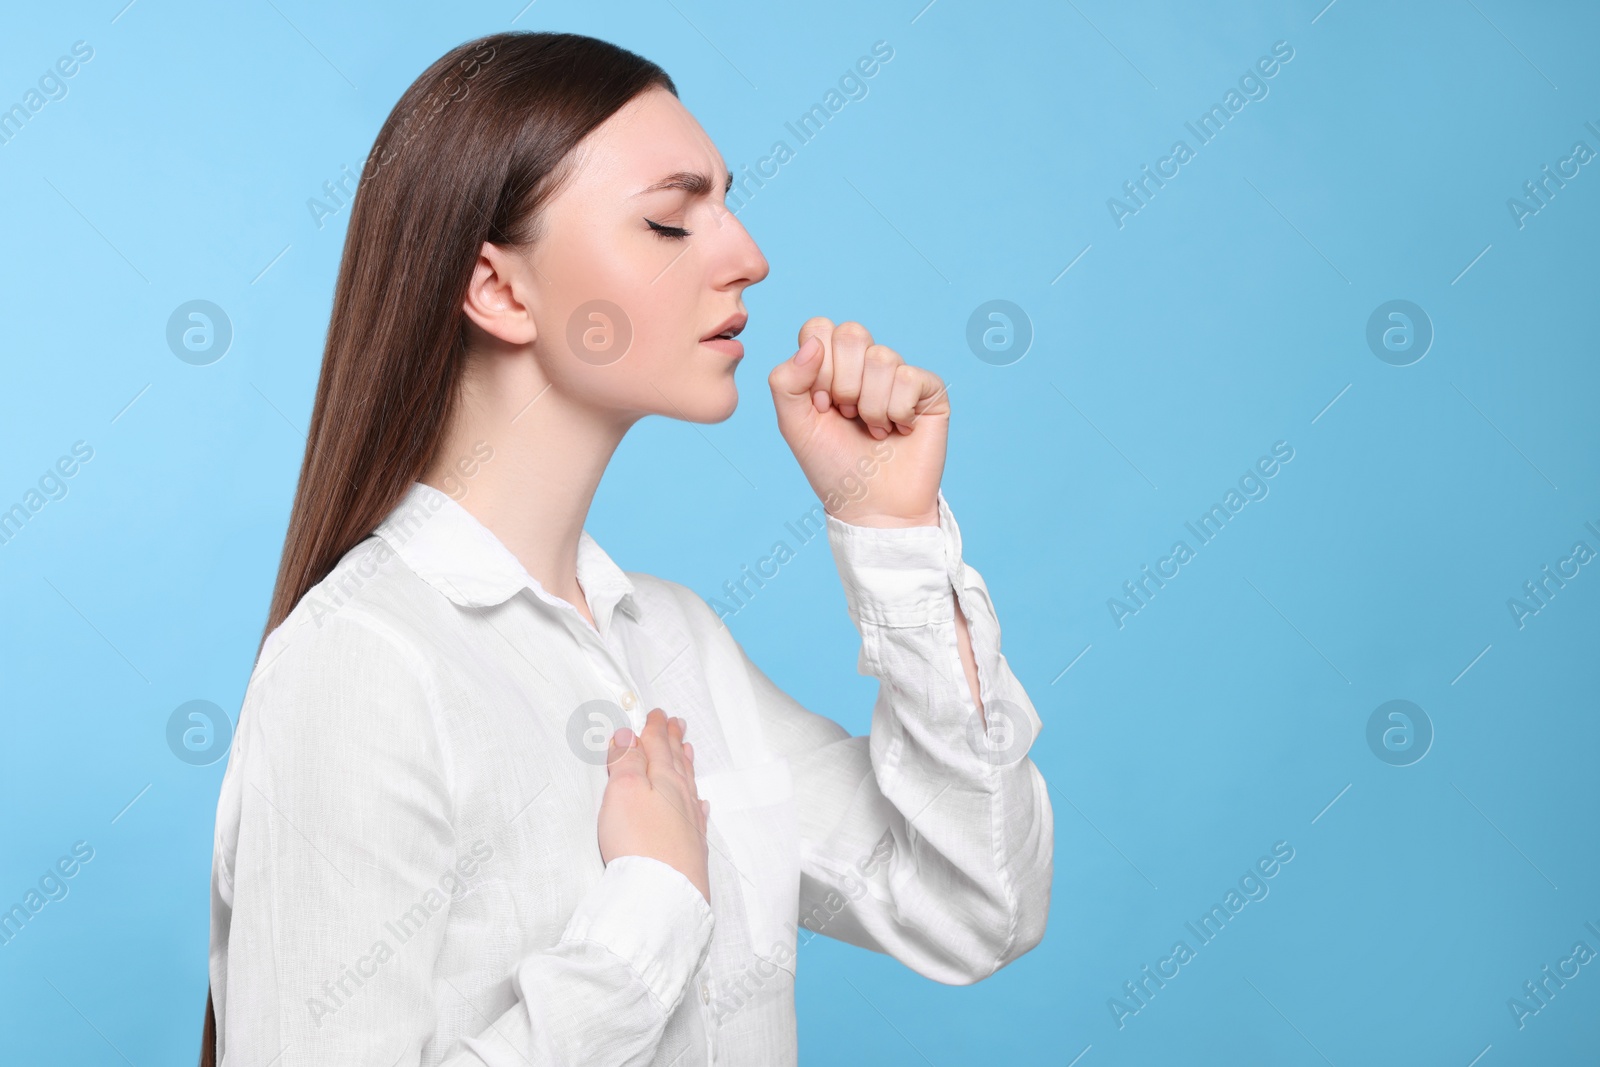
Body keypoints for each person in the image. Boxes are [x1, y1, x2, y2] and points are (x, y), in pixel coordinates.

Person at [202, 29, 1052, 1067]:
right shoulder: (363, 664)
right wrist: (647, 911)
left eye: (726, 203)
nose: (746, 254)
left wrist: (895, 538)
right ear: (499, 290)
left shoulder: (675, 642)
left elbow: (975, 901)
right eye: (667, 220)